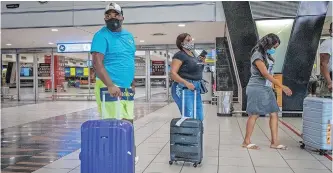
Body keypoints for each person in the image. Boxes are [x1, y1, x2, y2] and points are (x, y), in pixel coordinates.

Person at [90, 2, 138, 163]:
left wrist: (132, 82)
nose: (112, 17)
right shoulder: (101, 35)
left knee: (128, 121)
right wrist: (110, 85)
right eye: (108, 15)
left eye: (115, 14)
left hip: (126, 87)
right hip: (108, 86)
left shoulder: (129, 37)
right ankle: (111, 158)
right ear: (105, 18)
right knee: (112, 124)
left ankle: (128, 154)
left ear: (122, 17)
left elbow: (129, 60)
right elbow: (97, 63)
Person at [242, 33, 293, 150]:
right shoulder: (257, 55)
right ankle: (246, 141)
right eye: (274, 47)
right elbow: (265, 74)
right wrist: (282, 86)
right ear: (268, 44)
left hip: (267, 88)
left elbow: (270, 73)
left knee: (274, 113)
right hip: (256, 87)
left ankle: (274, 142)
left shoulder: (266, 55)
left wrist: (274, 85)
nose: (274, 50)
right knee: (254, 114)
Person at [170, 33, 205, 121]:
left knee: (199, 115)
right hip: (184, 87)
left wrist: (203, 61)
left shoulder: (193, 55)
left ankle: (197, 133)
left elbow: (198, 70)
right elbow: (173, 74)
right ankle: (189, 134)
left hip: (195, 87)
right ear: (181, 43)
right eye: (188, 40)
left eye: (191, 39)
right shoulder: (179, 55)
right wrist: (186, 83)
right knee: (189, 116)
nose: (191, 41)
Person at [319, 22, 332, 97]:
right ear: (330, 31)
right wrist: (329, 82)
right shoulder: (328, 43)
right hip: (330, 79)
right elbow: (323, 64)